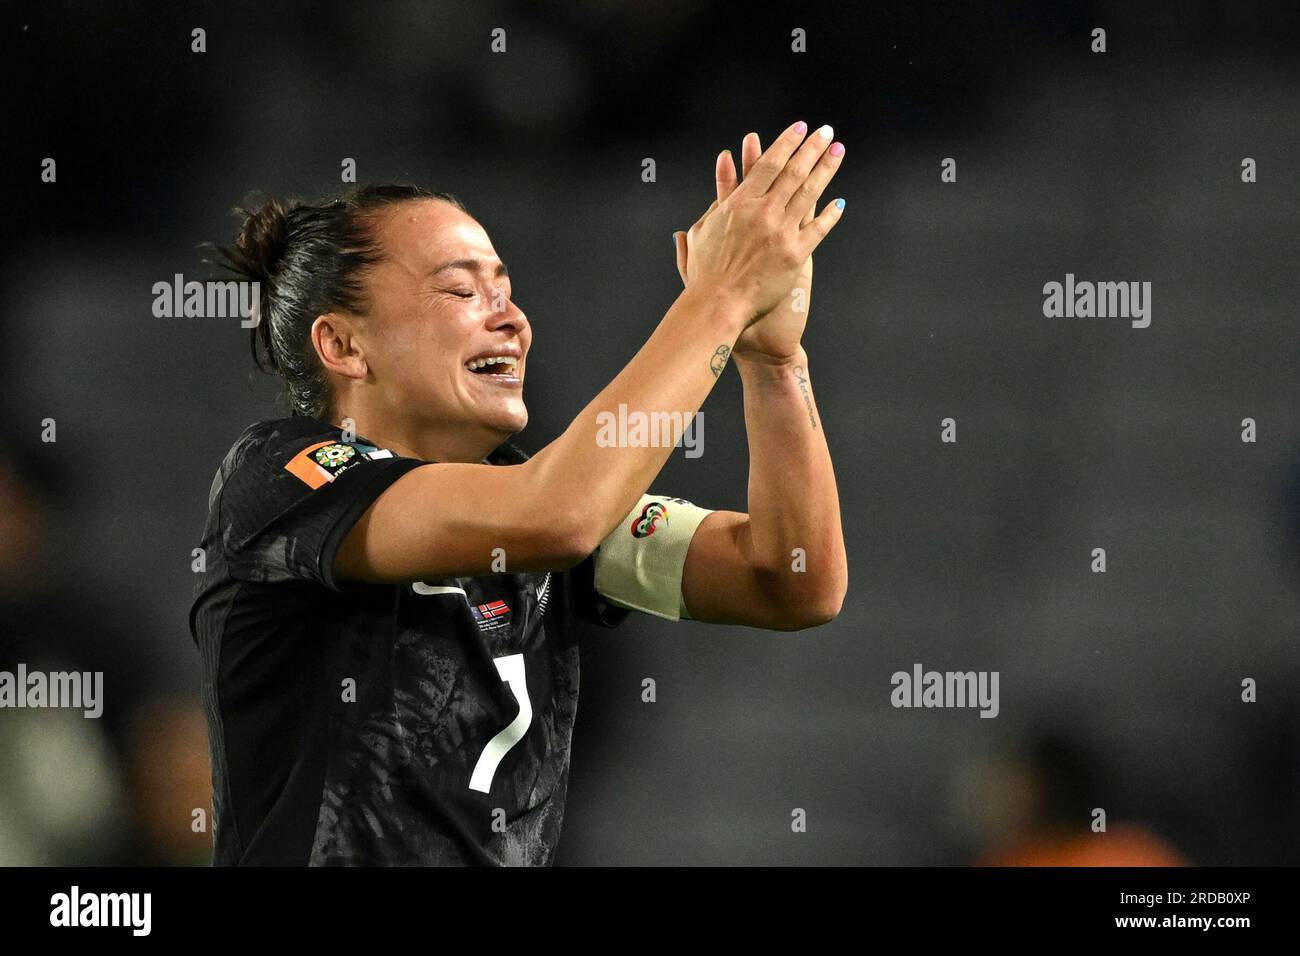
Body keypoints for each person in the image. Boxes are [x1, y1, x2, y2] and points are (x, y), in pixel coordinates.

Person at [189, 120, 849, 865]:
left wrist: (772, 357)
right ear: (343, 345)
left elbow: (792, 581)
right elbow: (557, 515)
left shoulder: (534, 500)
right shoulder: (279, 477)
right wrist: (721, 298)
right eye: (462, 289)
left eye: (506, 289)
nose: (512, 317)